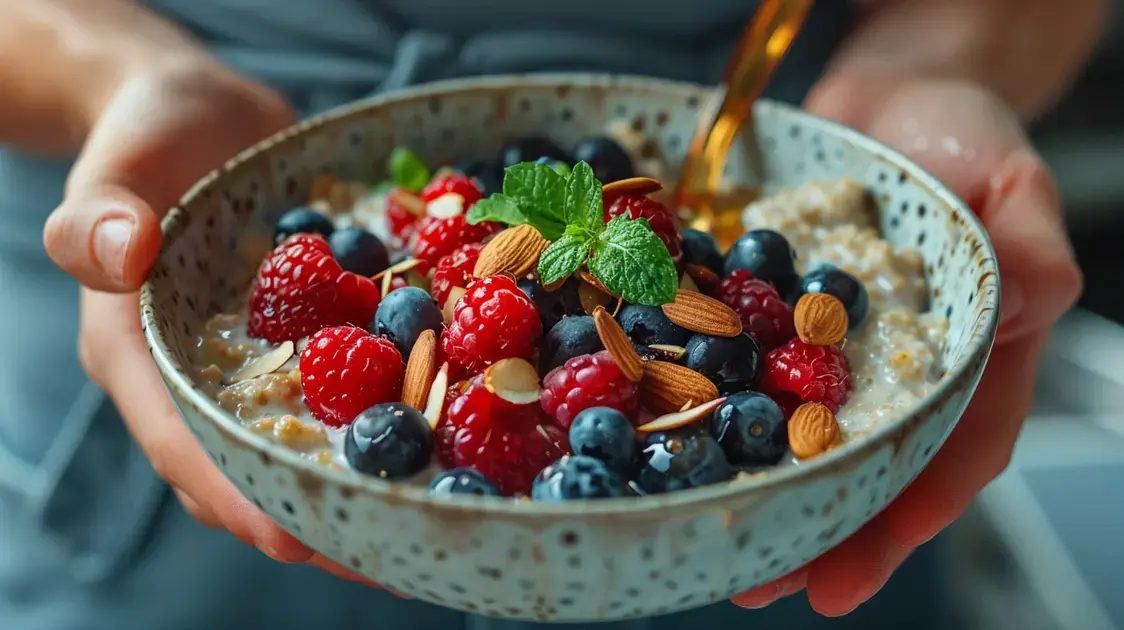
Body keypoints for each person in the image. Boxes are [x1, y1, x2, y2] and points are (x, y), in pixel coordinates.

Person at [0, 0, 1096, 628]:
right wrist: (115, 74)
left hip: (767, 502)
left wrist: (939, 57)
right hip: (178, 515)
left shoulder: (694, 296)